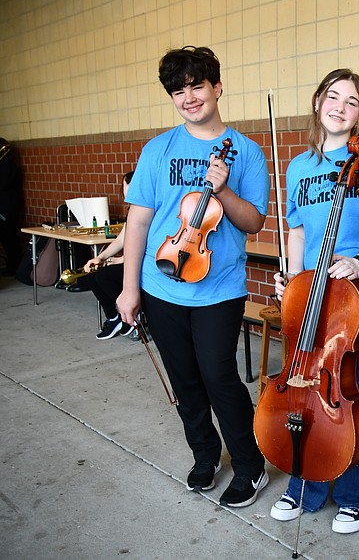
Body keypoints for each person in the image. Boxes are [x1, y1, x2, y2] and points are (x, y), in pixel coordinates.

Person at [116, 46, 270, 507]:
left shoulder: (247, 152)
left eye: (196, 86)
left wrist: (223, 189)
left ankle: (250, 465)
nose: (188, 97)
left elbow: (254, 222)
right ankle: (204, 456)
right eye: (178, 90)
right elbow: (139, 223)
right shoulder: (157, 149)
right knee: (184, 378)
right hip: (160, 281)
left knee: (219, 374)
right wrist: (128, 289)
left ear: (217, 88)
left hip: (219, 287)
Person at [268, 68, 359, 534]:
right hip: (313, 292)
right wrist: (294, 277)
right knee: (304, 388)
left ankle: (358, 494)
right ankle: (305, 485)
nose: (340, 107)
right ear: (317, 101)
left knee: (357, 392)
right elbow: (299, 229)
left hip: (357, 292)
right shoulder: (300, 165)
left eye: (351, 100)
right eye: (332, 96)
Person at [78, 171, 135, 340]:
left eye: (127, 186)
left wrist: (121, 259)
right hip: (130, 261)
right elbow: (120, 240)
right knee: (92, 276)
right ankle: (114, 318)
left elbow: (148, 245)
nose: (125, 191)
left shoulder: (147, 209)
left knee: (104, 277)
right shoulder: (132, 209)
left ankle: (131, 314)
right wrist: (100, 258)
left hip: (142, 264)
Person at [0, 138, 23, 275]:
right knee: (7, 238)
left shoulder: (9, 166)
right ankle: (13, 265)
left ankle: (15, 266)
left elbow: (3, 184)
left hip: (8, 207)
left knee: (9, 238)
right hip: (5, 205)